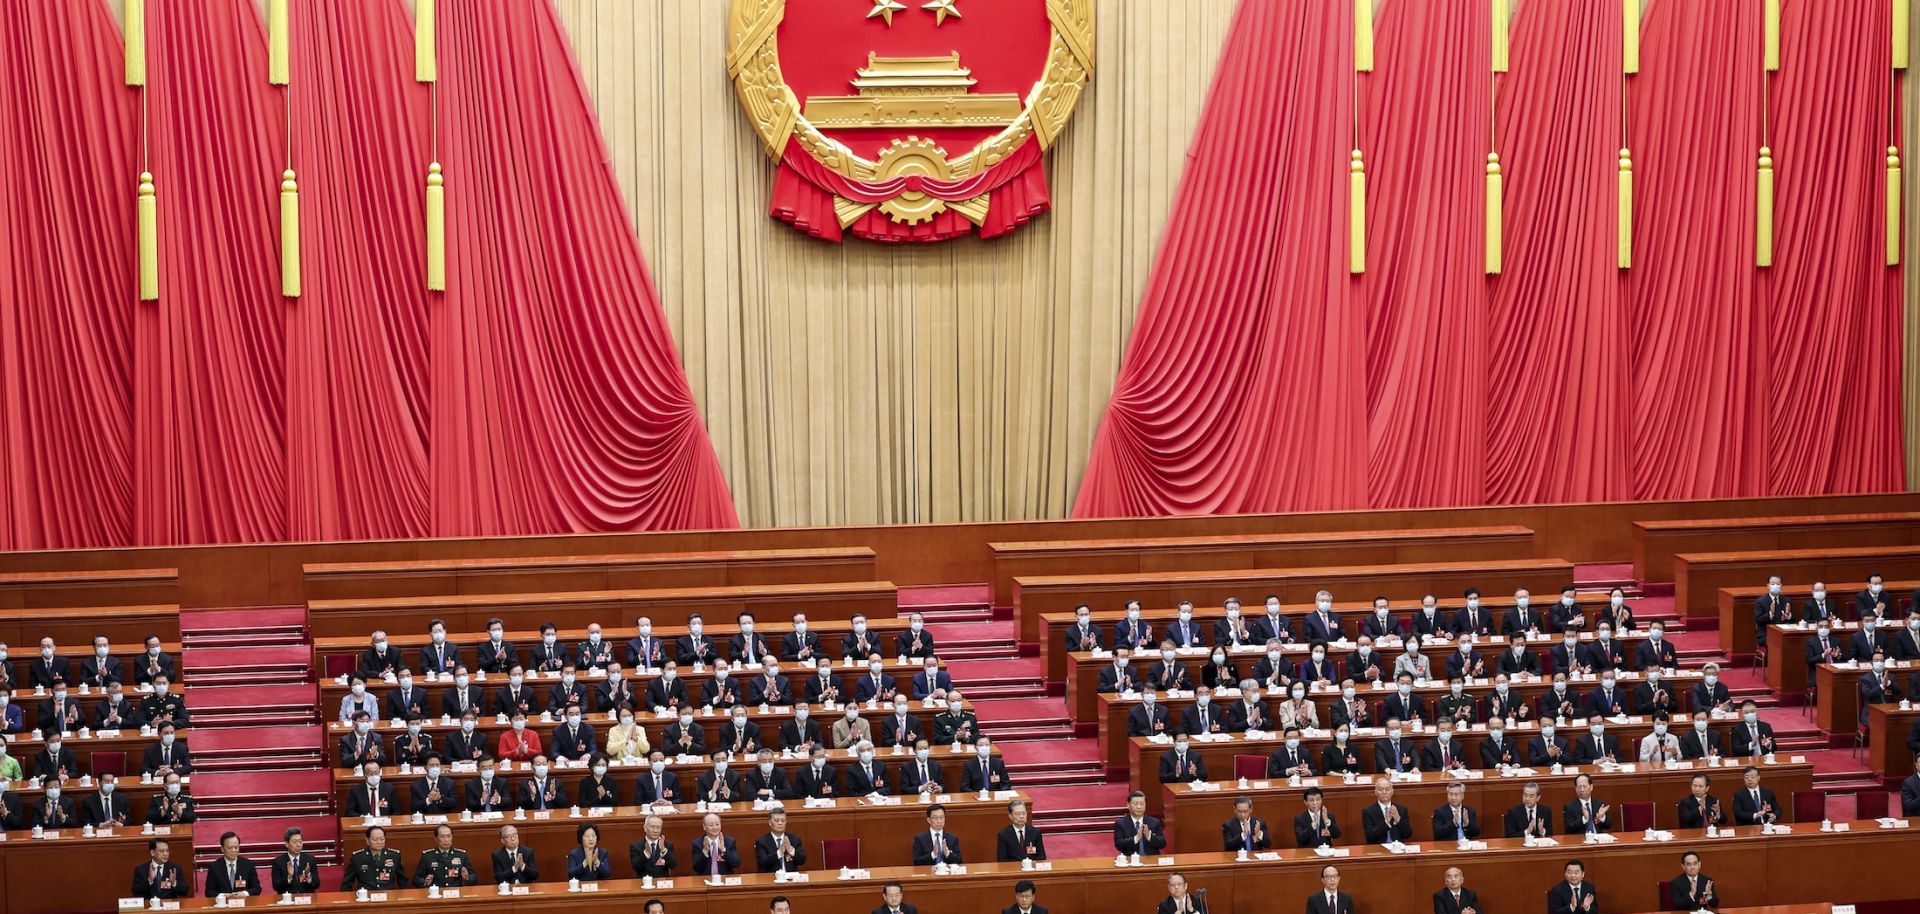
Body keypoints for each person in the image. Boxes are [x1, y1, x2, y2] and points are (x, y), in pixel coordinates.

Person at [414, 823, 478, 888]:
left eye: (449, 836)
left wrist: (467, 878)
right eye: (442, 836)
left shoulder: (461, 855)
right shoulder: (427, 856)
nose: (446, 840)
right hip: (435, 894)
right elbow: (416, 879)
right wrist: (425, 882)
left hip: (455, 893)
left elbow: (474, 877)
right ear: (436, 838)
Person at [341, 826, 405, 891]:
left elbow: (403, 880)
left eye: (382, 839)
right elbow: (346, 883)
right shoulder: (358, 857)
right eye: (375, 839)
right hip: (366, 897)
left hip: (388, 896)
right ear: (367, 840)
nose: (379, 842)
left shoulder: (394, 856)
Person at [203, 831, 263, 898]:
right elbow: (209, 892)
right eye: (230, 848)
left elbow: (257, 889)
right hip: (223, 905)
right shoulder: (214, 867)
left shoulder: (248, 865)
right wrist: (223, 895)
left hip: (244, 904)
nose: (233, 850)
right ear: (222, 849)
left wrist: (244, 893)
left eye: (236, 847)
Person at [1362, 777, 1413, 844]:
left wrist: (1398, 820)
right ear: (1375, 792)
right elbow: (1370, 836)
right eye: (1380, 789)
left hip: (1397, 848)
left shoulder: (1401, 809)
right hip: (1378, 849)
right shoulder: (1368, 811)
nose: (1384, 792)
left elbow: (1408, 834)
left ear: (1392, 791)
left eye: (1387, 789)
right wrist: (1386, 823)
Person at [755, 809, 807, 873]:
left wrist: (791, 850)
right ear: (770, 823)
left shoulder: (794, 839)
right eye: (776, 820)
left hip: (791, 878)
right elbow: (763, 862)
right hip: (770, 878)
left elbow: (802, 860)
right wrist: (779, 853)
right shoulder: (761, 841)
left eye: (783, 820)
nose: (780, 823)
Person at [273, 826, 322, 895]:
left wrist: (308, 877)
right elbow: (276, 886)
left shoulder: (310, 859)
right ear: (287, 844)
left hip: (307, 899)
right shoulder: (278, 862)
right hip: (287, 901)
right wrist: (289, 877)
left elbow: (316, 884)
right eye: (295, 842)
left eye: (300, 841)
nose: (298, 845)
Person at [693, 812, 741, 876]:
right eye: (711, 825)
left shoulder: (729, 841)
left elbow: (736, 864)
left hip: (725, 879)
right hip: (705, 879)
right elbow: (697, 868)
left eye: (717, 824)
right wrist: (705, 852)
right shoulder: (697, 843)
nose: (715, 827)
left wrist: (724, 850)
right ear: (704, 827)